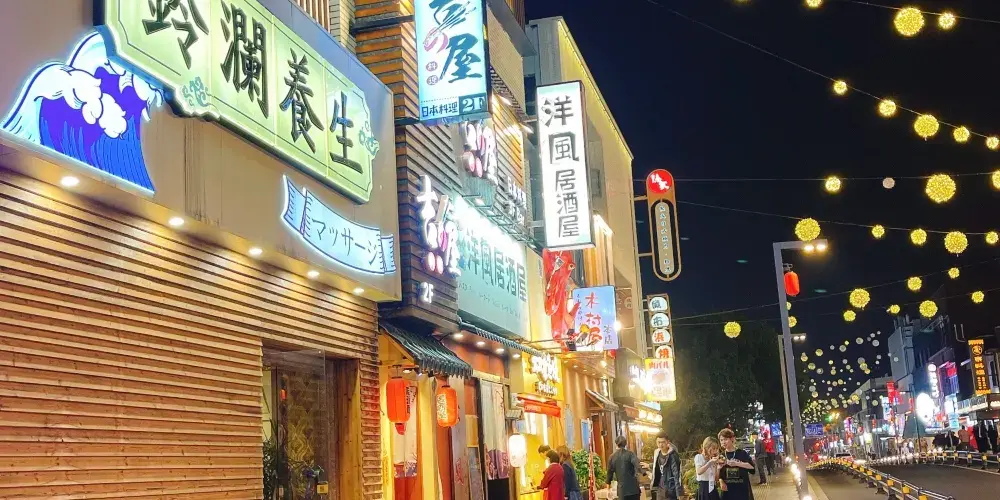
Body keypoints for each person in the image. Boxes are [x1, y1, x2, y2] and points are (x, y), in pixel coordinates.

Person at [718, 428, 755, 500]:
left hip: (742, 487)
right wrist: (721, 481)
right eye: (721, 440)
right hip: (728, 489)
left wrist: (737, 463)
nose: (723, 442)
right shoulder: (721, 456)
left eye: (725, 439)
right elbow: (719, 473)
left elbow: (752, 468)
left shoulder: (742, 453)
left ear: (732, 439)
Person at [606, 435, 642, 500]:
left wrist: (608, 489)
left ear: (616, 444)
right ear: (625, 444)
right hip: (634, 489)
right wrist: (643, 472)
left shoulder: (612, 457)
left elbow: (609, 474)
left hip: (622, 490)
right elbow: (637, 465)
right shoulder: (631, 454)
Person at [651, 432, 684, 500]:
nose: (661, 444)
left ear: (668, 442)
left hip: (670, 489)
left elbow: (677, 474)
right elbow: (657, 467)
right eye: (659, 442)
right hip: (660, 489)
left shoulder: (673, 456)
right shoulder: (657, 453)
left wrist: (679, 492)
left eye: (663, 442)